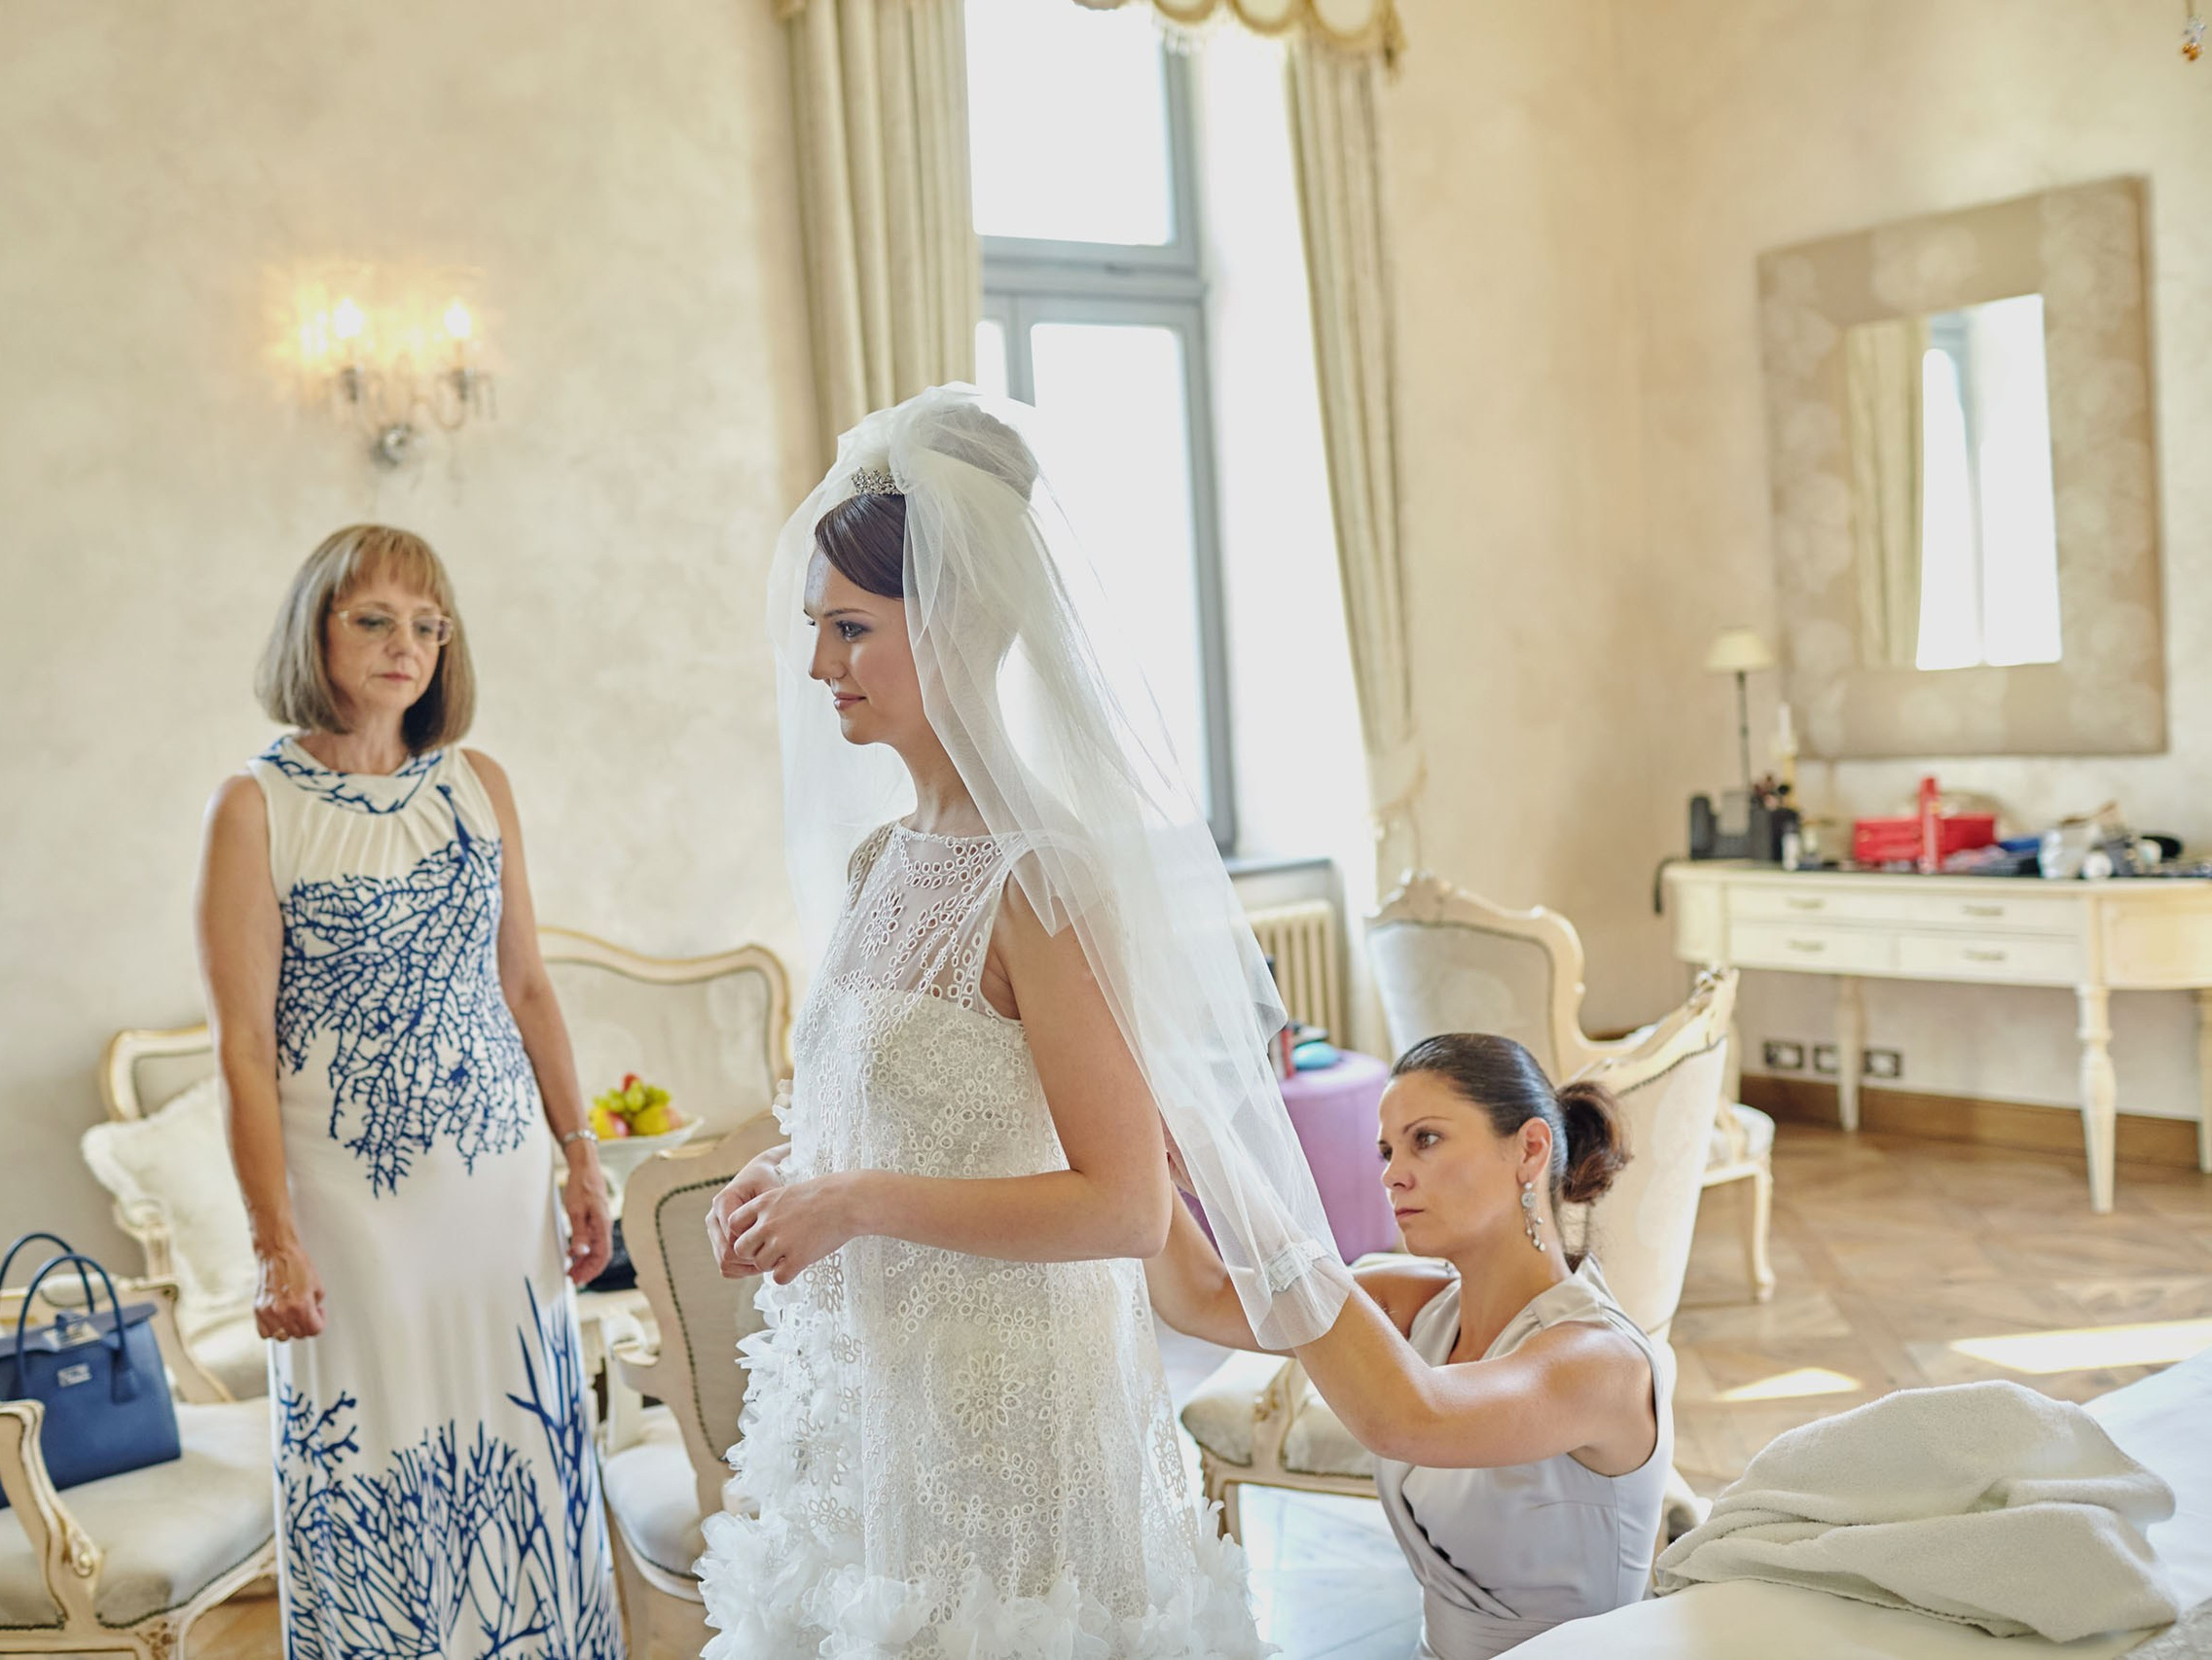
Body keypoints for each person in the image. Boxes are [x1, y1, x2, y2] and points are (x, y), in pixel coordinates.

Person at [693, 385, 1351, 1658]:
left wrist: (859, 1200)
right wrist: (797, 1179)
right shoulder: (881, 859)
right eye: (816, 629)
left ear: (956, 622)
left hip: (1011, 1427)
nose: (819, 665)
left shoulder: (1042, 879)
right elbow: (901, 1117)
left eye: (848, 629)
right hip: (877, 1408)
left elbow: (1125, 1208)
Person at [195, 524, 621, 1659]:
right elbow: (240, 1042)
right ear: (314, 631)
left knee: (522, 1446)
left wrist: (581, 1155)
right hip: (349, 1203)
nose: (406, 645)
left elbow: (525, 983)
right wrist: (271, 1237)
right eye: (373, 619)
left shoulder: (480, 786)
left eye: (428, 624)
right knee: (371, 1453)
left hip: (501, 1191)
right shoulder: (253, 805)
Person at [1146, 1033, 1673, 1660]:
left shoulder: (1599, 1362)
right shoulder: (1413, 1301)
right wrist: (1138, 1153)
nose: (1394, 1174)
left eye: (1426, 1139)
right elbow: (1201, 1298)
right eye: (1387, 1150)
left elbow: (1409, 1418)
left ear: (1531, 1149)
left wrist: (1241, 1191)